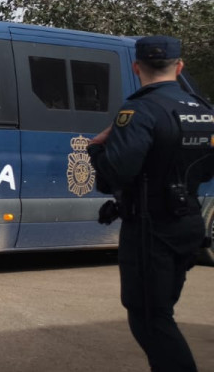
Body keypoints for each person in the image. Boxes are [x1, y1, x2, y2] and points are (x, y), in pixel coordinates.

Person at [87, 36, 213, 371]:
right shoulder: (202, 110)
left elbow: (116, 172)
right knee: (161, 311)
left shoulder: (139, 110)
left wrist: (97, 149)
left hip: (151, 227)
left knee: (149, 318)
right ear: (180, 67)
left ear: (136, 67)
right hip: (188, 222)